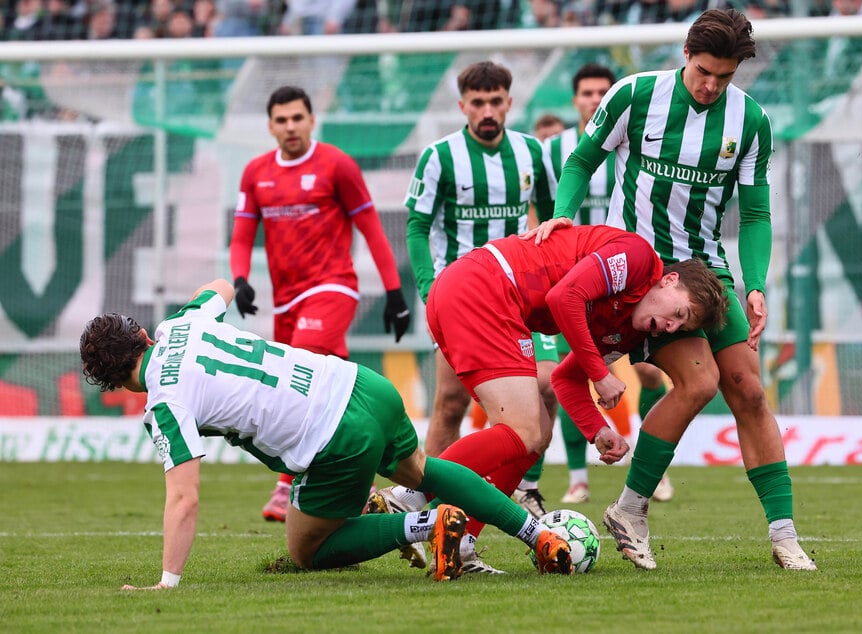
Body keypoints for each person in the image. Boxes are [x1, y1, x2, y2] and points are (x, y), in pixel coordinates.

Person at [531, 8, 817, 571]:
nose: (712, 85)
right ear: (686, 54)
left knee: (750, 391)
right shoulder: (635, 96)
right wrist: (563, 216)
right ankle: (631, 508)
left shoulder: (751, 121)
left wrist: (755, 285)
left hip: (707, 273)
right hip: (638, 272)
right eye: (705, 71)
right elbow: (582, 160)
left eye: (725, 76)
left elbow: (755, 214)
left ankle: (784, 535)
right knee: (700, 381)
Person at [78, 280, 573, 590]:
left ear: (114, 384)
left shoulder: (164, 401)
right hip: (362, 385)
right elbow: (220, 286)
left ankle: (427, 526)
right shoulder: (182, 322)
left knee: (306, 550)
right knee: (421, 470)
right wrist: (222, 297)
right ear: (143, 334)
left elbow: (183, 499)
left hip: (334, 436)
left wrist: (168, 583)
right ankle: (539, 535)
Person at [373, 225, 727, 570]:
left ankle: (461, 543)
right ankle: (408, 497)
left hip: (481, 296)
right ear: (669, 281)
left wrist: (597, 430)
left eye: (680, 327)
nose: (670, 327)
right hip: (485, 286)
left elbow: (566, 378)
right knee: (525, 430)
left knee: (535, 435)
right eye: (679, 314)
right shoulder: (638, 258)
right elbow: (564, 296)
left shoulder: (624, 327)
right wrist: (601, 376)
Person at [399, 60, 560, 571]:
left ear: (510, 102)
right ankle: (422, 501)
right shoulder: (440, 157)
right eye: (477, 103)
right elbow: (417, 228)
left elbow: (552, 218)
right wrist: (428, 290)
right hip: (464, 300)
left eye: (496, 102)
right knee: (449, 402)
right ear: (463, 104)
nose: (487, 111)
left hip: (519, 297)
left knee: (545, 392)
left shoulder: (532, 153)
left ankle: (517, 491)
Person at [229, 85, 412, 523]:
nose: (290, 126)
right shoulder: (256, 173)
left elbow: (369, 227)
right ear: (270, 126)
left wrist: (393, 292)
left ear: (312, 120)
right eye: (281, 119)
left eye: (298, 118)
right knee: (335, 384)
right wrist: (239, 279)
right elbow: (240, 236)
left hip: (333, 288)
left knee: (301, 364)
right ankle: (365, 472)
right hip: (287, 298)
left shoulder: (336, 165)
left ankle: (284, 485)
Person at [546, 62, 674, 505]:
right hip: (572, 278)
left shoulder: (633, 139)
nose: (596, 100)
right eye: (587, 93)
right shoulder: (556, 150)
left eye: (604, 91)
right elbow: (542, 210)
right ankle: (578, 476)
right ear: (574, 99)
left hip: (622, 274)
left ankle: (651, 468)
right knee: (571, 369)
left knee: (649, 369)